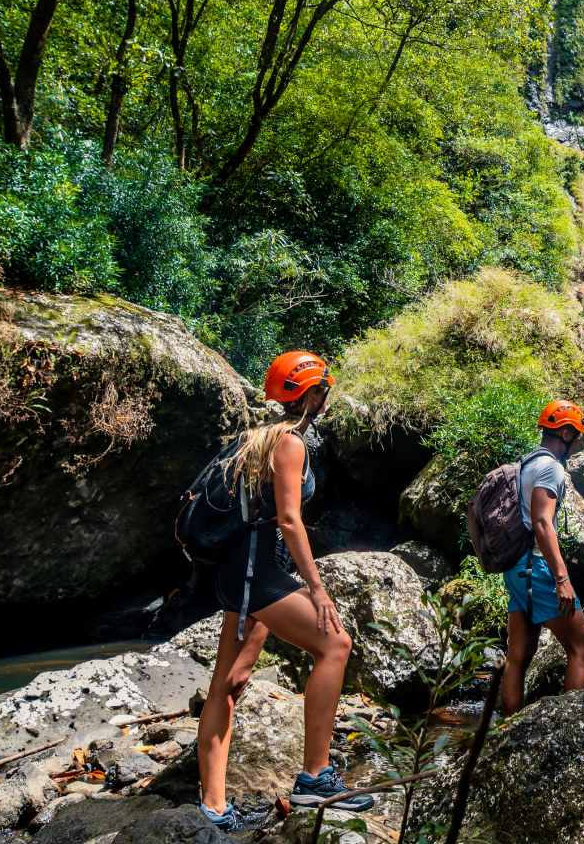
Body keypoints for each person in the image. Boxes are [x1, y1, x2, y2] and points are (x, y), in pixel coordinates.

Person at [194, 350, 371, 831]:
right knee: (335, 643)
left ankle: (212, 807)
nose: (324, 397)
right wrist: (317, 590)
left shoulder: (253, 437)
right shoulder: (290, 444)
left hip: (239, 571)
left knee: (231, 681)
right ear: (312, 394)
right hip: (258, 572)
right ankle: (315, 775)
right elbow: (289, 521)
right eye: (322, 390)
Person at [498, 399, 584, 715]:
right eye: (576, 434)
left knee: (518, 657)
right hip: (538, 568)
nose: (578, 441)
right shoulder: (550, 467)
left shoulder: (527, 463)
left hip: (516, 567)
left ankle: (507, 732)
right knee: (581, 648)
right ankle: (567, 728)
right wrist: (562, 578)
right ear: (565, 433)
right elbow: (542, 523)